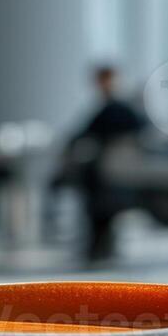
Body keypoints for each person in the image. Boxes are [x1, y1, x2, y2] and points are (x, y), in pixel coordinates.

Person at [61, 65, 145, 260]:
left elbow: (81, 135)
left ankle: (98, 245)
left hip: (112, 177)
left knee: (93, 189)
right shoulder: (118, 108)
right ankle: (99, 243)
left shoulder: (116, 109)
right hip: (110, 176)